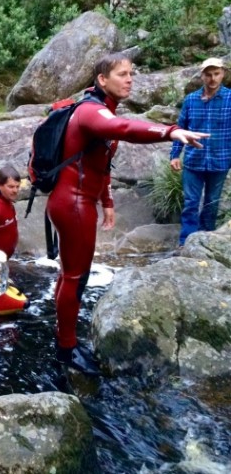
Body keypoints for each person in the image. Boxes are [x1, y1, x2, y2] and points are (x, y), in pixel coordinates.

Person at [46, 52, 209, 375]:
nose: (130, 79)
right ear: (102, 80)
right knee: (76, 277)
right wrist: (169, 131)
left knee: (70, 273)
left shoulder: (100, 109)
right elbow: (123, 128)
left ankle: (62, 336)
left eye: (131, 73)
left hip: (76, 201)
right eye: (122, 74)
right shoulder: (93, 111)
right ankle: (66, 349)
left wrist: (106, 200)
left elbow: (97, 161)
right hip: (73, 204)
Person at [170, 57, 231, 247]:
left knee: (212, 203)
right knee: (190, 203)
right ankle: (185, 242)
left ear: (223, 74)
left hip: (220, 160)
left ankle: (207, 242)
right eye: (208, 74)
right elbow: (180, 128)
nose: (213, 78)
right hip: (193, 161)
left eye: (216, 74)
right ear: (202, 76)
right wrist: (174, 155)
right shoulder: (191, 100)